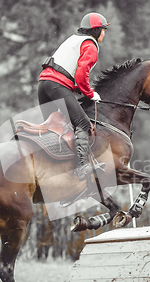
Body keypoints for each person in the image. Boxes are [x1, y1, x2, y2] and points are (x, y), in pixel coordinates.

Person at [38, 12, 110, 181]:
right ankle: (83, 167)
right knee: (83, 123)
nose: (104, 34)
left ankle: (50, 166)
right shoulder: (90, 47)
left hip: (43, 85)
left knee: (54, 127)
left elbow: (68, 74)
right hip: (57, 86)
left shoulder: (73, 40)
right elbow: (81, 74)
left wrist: (79, 90)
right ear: (96, 30)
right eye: (103, 30)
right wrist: (90, 94)